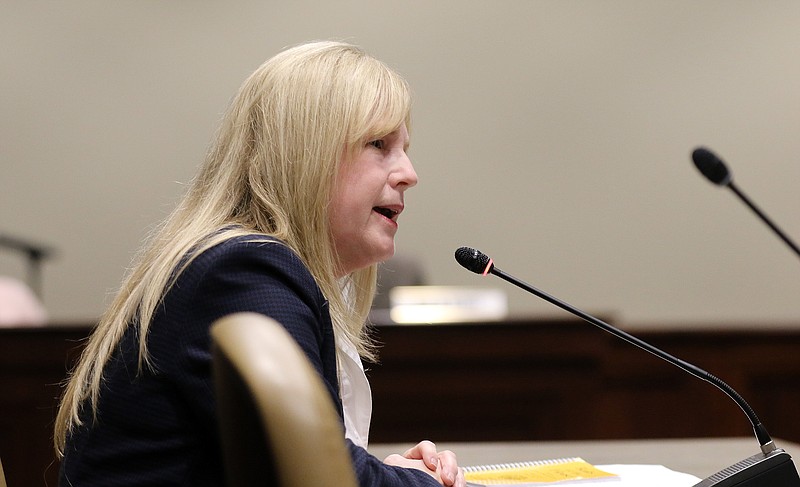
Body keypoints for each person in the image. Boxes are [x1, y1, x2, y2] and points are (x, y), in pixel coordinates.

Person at [54, 41, 465, 487]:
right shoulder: (244, 272)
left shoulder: (244, 264)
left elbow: (309, 466)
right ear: (305, 155)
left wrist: (382, 472)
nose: (409, 172)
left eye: (404, 147)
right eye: (378, 144)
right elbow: (312, 478)